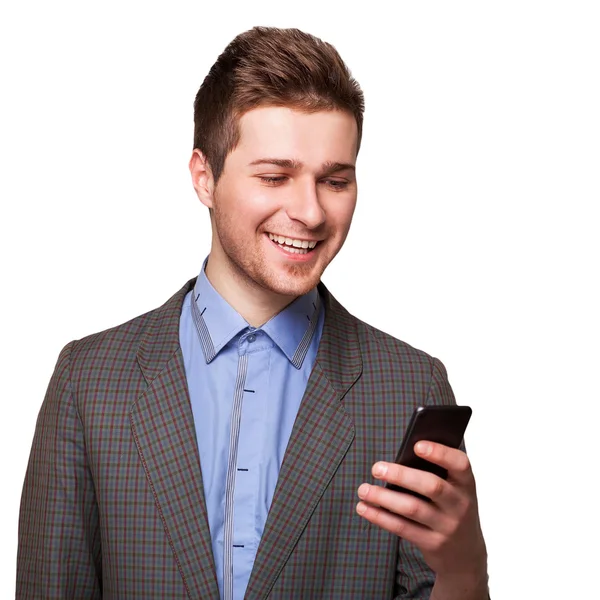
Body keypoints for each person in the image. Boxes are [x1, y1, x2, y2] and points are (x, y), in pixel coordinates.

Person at [17, 26, 489, 600]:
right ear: (204, 177)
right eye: (274, 177)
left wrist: (465, 570)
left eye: (335, 180)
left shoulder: (410, 384)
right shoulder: (89, 382)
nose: (310, 212)